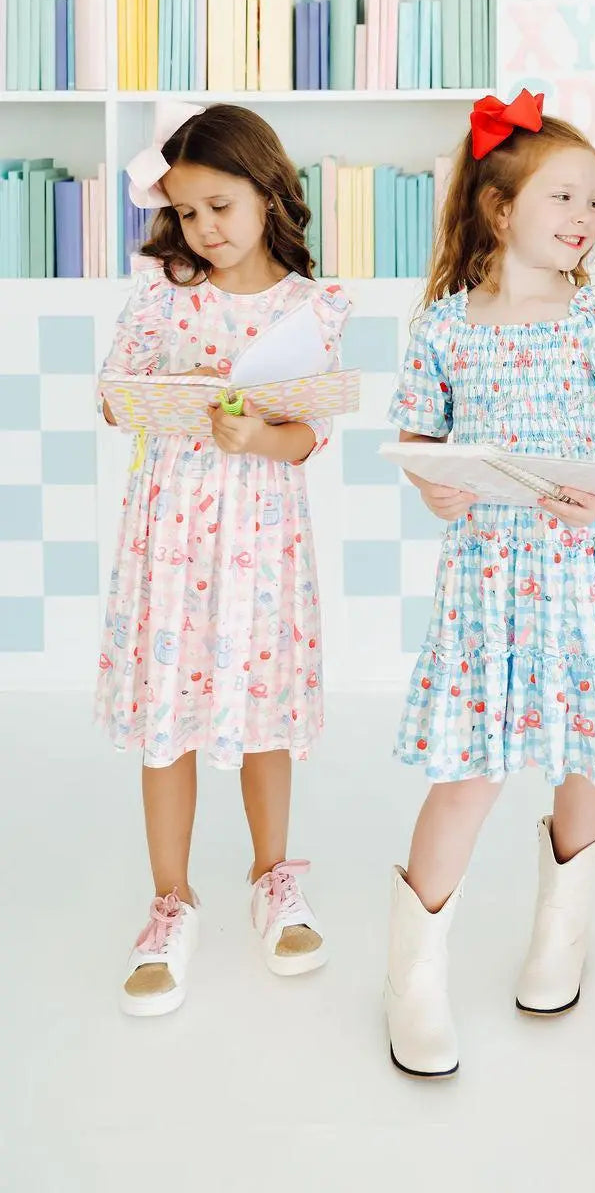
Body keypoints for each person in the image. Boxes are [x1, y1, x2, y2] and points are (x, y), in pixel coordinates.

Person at [384, 90, 595, 1077]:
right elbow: (421, 441)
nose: (585, 218)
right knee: (468, 772)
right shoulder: (444, 329)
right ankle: (414, 974)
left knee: (585, 753)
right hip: (489, 580)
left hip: (590, 571)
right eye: (564, 196)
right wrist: (433, 482)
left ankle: (561, 934)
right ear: (499, 208)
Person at [97, 101, 350, 1016]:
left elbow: (310, 436)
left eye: (221, 207)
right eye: (189, 212)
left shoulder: (310, 305)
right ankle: (170, 900)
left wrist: (254, 433)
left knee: (263, 708)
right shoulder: (165, 292)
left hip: (259, 542)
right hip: (170, 536)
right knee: (168, 717)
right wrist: (171, 398)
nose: (205, 229)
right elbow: (115, 397)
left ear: (269, 192)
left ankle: (273, 877)